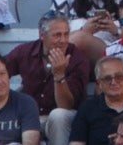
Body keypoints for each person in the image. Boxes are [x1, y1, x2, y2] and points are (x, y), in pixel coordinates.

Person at [5, 14, 90, 145]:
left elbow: (66, 105)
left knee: (58, 115)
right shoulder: (25, 51)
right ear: (42, 35)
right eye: (57, 35)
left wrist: (59, 75)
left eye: (66, 34)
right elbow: (0, 69)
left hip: (63, 119)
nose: (63, 40)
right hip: (30, 118)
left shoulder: (78, 59)